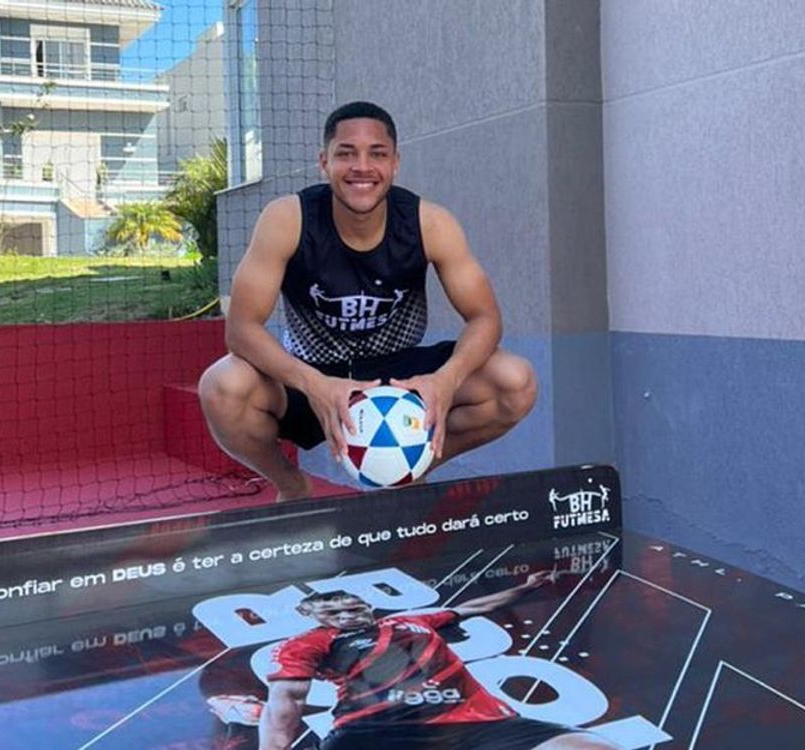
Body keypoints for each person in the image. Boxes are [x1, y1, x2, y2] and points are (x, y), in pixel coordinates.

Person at [197, 101, 537, 500]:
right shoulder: (287, 219)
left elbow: (485, 318)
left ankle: (407, 470)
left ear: (395, 163)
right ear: (324, 163)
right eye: (346, 153)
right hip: (312, 373)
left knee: (514, 381)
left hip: (400, 378)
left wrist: (447, 379)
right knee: (222, 387)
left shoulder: (430, 223)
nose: (362, 167)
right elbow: (241, 330)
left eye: (377, 154)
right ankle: (293, 488)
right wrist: (315, 384)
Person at [258, 571, 618, 750]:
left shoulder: (411, 620)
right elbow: (285, 703)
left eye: (354, 608)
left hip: (477, 722)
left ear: (367, 605)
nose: (347, 616)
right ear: (312, 616)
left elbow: (474, 607)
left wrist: (526, 587)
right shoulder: (305, 643)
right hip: (375, 731)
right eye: (334, 613)